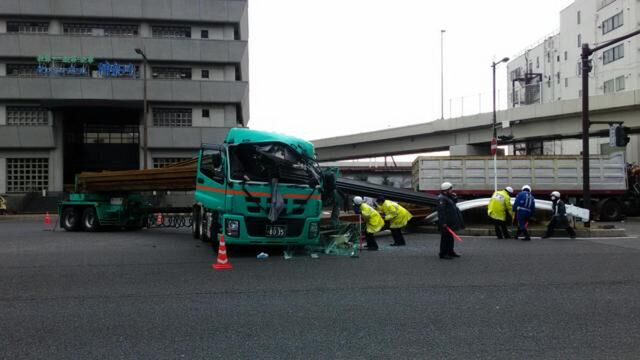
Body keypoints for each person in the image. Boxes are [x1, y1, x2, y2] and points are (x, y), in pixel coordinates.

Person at [436, 182, 464, 259]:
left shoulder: (447, 197)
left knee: (450, 237)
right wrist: (443, 223)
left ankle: (450, 252)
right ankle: (443, 254)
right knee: (445, 238)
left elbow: (453, 203)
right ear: (446, 190)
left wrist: (454, 197)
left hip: (450, 222)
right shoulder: (441, 198)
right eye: (450, 189)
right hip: (446, 222)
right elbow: (441, 212)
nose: (452, 190)